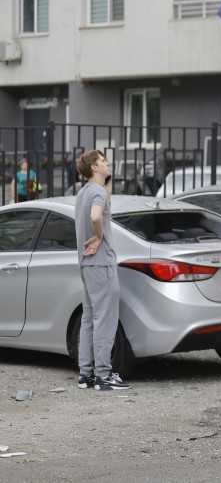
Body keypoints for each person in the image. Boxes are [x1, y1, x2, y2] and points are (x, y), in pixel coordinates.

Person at [74, 150, 130, 391]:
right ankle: (104, 375)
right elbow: (97, 216)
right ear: (94, 168)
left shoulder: (84, 192)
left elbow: (104, 204)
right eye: (104, 162)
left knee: (89, 319)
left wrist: (108, 180)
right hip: (102, 262)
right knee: (105, 320)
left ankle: (85, 374)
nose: (108, 164)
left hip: (86, 265)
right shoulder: (96, 192)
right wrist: (98, 237)